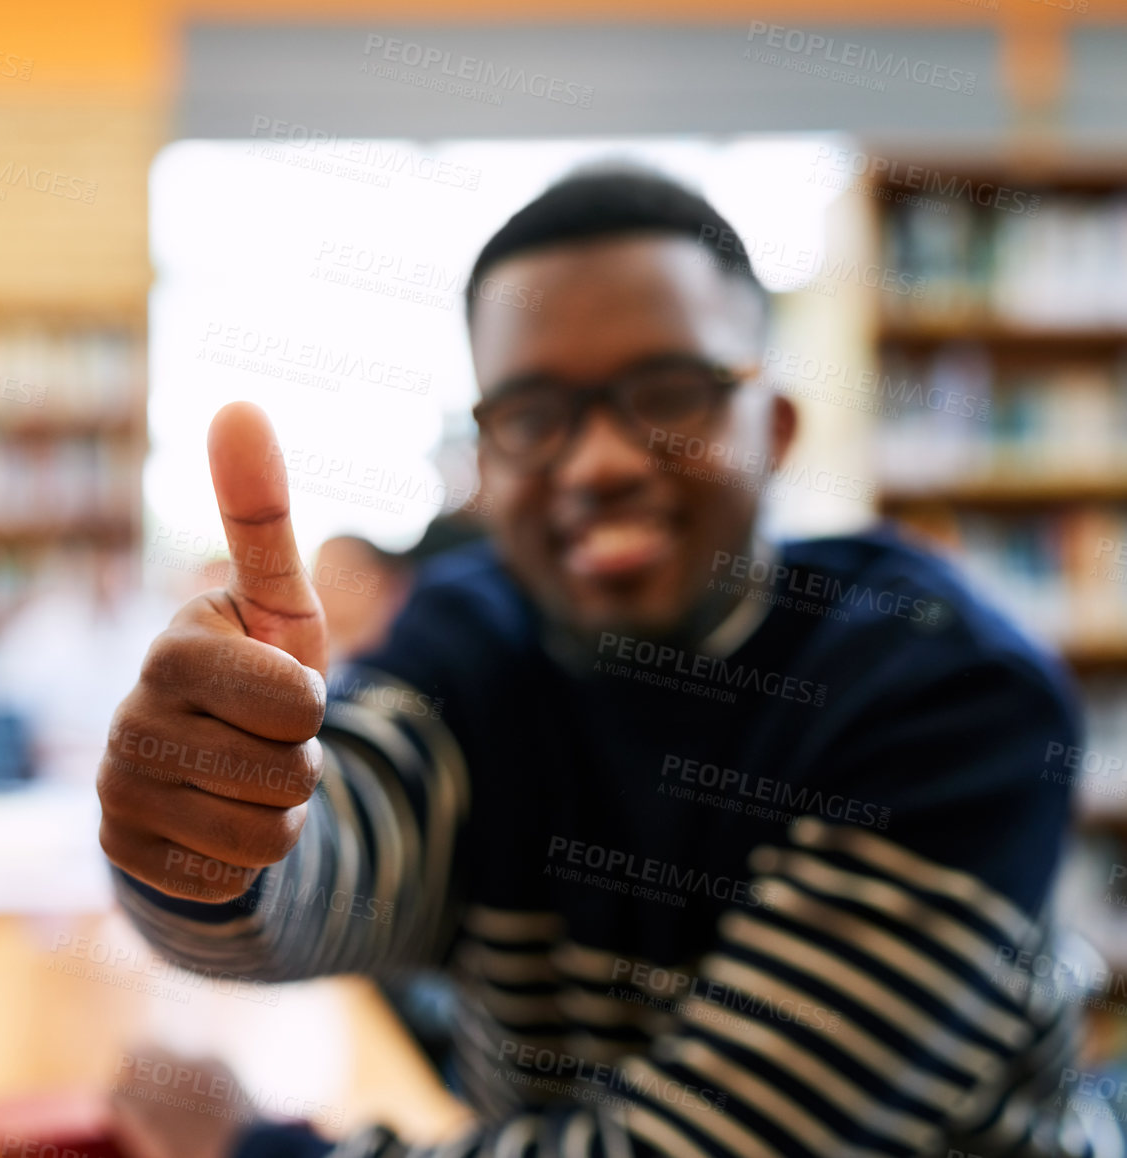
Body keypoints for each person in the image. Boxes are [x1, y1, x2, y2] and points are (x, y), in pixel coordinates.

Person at [96, 169, 1115, 1157]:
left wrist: (257, 1151)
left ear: (778, 428)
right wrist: (208, 829)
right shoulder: (474, 638)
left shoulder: (948, 699)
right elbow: (320, 873)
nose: (601, 464)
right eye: (533, 416)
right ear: (485, 469)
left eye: (670, 393)